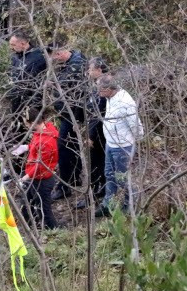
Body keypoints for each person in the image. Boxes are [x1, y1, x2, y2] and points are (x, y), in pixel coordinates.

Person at [96, 75, 143, 217]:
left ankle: (129, 206)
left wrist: (135, 141)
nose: (98, 93)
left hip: (122, 146)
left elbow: (135, 125)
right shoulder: (109, 98)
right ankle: (108, 204)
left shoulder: (125, 102)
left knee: (122, 177)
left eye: (100, 90)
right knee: (109, 174)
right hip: (110, 144)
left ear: (109, 89)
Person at [50, 45, 87, 200]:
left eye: (54, 57)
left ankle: (64, 186)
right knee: (72, 146)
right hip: (66, 113)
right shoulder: (68, 63)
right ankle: (74, 177)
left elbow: (78, 93)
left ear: (60, 53)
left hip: (72, 115)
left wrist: (77, 120)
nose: (53, 61)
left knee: (63, 148)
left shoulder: (77, 65)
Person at [19, 113, 60, 230]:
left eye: (26, 124)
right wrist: (27, 147)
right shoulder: (44, 130)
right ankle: (28, 224)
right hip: (35, 177)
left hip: (42, 180)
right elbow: (36, 145)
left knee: (44, 210)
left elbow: (41, 165)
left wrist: (26, 177)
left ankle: (53, 231)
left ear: (32, 123)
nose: (26, 126)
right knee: (27, 202)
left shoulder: (46, 141)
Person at [81, 57, 110, 210]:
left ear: (99, 70)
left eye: (91, 69)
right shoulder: (96, 87)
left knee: (98, 164)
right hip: (95, 132)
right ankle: (97, 192)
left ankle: (99, 194)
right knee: (96, 164)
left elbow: (100, 114)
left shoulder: (105, 88)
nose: (88, 72)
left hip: (100, 135)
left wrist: (91, 135)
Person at [6, 31, 47, 123]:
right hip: (16, 100)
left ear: (23, 43)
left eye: (13, 45)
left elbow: (36, 83)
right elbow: (11, 73)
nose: (11, 48)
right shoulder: (16, 56)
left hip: (29, 102)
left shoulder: (38, 58)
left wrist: (33, 106)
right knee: (17, 127)